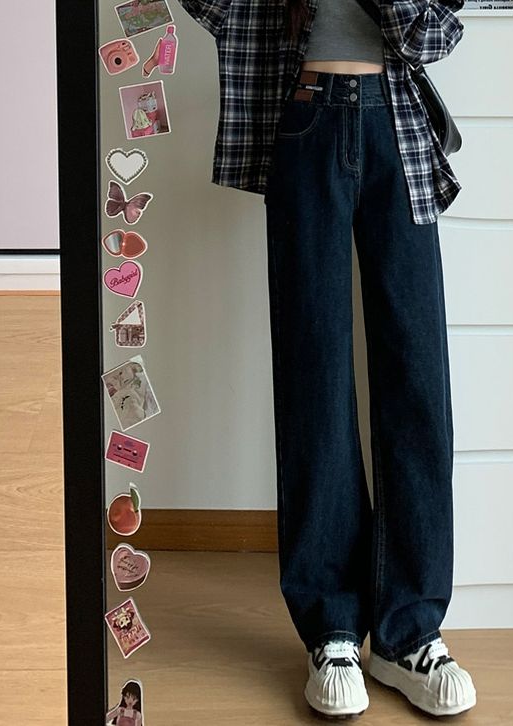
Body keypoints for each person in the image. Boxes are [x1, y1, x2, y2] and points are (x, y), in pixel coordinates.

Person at [178, 0, 476, 718]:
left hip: (397, 125)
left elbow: (437, 32)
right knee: (315, 377)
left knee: (417, 379)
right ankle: (331, 628)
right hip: (306, 115)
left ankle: (409, 633)